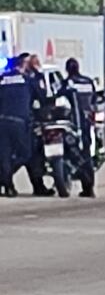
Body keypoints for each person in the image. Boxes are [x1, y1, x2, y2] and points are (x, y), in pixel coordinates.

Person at [0, 54, 46, 197]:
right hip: (19, 122)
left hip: (2, 121)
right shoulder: (27, 80)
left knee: (5, 156)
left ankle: (8, 187)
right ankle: (4, 180)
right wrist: (37, 71)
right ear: (24, 65)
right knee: (25, 154)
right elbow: (42, 96)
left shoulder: (2, 79)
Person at [62, 58, 97, 198]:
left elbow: (58, 98)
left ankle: (74, 179)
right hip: (88, 123)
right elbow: (94, 100)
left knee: (75, 154)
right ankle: (89, 188)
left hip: (74, 123)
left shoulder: (68, 83)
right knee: (87, 154)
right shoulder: (88, 82)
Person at [22, 53, 54, 195]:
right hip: (30, 120)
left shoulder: (28, 77)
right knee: (35, 154)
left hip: (23, 120)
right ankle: (38, 185)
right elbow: (42, 97)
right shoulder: (33, 79)